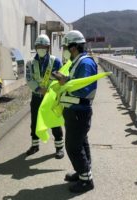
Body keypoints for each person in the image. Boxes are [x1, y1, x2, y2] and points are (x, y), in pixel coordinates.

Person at [52, 30, 97, 193]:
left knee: (73, 146)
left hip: (79, 112)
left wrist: (66, 81)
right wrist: (62, 79)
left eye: (65, 46)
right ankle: (83, 172)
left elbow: (83, 88)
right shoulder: (77, 62)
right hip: (75, 112)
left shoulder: (85, 63)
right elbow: (74, 83)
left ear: (73, 47)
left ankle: (86, 180)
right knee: (81, 143)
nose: (64, 49)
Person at [25, 34, 64, 159]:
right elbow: (29, 78)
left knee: (54, 121)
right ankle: (35, 145)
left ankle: (59, 148)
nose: (41, 49)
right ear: (36, 47)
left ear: (48, 47)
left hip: (51, 97)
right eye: (39, 46)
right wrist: (38, 89)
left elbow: (61, 78)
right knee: (35, 121)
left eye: (44, 46)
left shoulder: (56, 61)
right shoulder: (30, 62)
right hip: (36, 96)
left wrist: (51, 89)